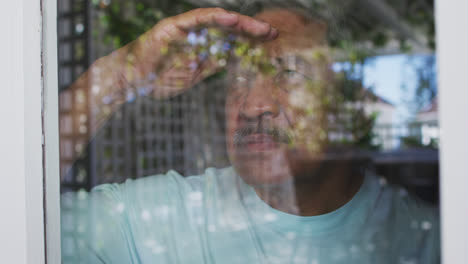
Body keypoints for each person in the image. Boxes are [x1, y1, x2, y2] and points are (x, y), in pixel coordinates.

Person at [60, 6, 439, 264]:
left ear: (345, 107)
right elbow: (17, 223)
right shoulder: (165, 221)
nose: (253, 104)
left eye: (290, 74)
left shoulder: (428, 239)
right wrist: (117, 76)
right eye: (239, 78)